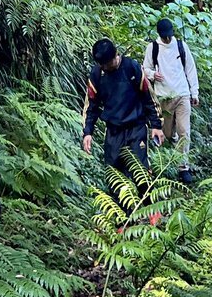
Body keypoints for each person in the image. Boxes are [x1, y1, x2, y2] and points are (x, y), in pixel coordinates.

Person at [82, 38, 165, 175]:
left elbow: (148, 97)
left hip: (136, 127)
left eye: (108, 64)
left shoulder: (131, 67)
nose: (106, 67)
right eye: (103, 65)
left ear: (116, 55)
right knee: (114, 175)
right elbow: (91, 106)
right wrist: (87, 132)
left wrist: (156, 125)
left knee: (140, 172)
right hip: (113, 131)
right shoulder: (97, 75)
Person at [142, 18, 199, 184]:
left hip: (182, 94)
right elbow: (145, 68)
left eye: (169, 35)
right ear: (160, 35)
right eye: (164, 36)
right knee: (167, 133)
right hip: (163, 96)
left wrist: (194, 92)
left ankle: (183, 167)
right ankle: (171, 152)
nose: (167, 39)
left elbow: (190, 69)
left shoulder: (181, 46)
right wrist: (153, 74)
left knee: (184, 131)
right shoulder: (153, 48)